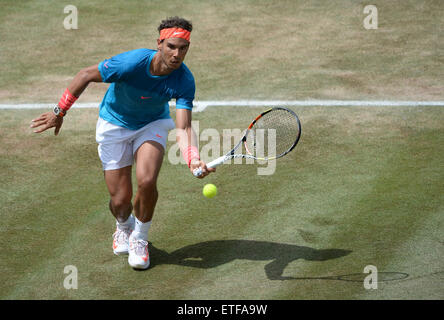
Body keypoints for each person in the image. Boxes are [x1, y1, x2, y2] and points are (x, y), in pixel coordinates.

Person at [30, 16, 214, 270]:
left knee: (147, 181)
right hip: (114, 124)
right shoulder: (131, 63)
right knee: (120, 200)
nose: (176, 54)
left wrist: (192, 157)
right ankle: (123, 226)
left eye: (183, 48)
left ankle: (140, 238)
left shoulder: (184, 80)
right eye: (171, 46)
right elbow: (85, 75)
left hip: (152, 124)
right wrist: (59, 112)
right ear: (159, 43)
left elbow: (183, 126)